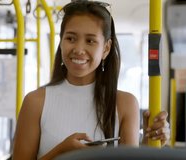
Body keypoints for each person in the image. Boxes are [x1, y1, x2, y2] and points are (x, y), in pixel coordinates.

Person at [12, 1, 170, 160]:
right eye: (71, 38)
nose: (79, 49)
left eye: (90, 41)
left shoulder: (125, 104)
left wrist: (150, 143)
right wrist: (60, 152)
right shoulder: (35, 102)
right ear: (61, 42)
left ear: (106, 48)